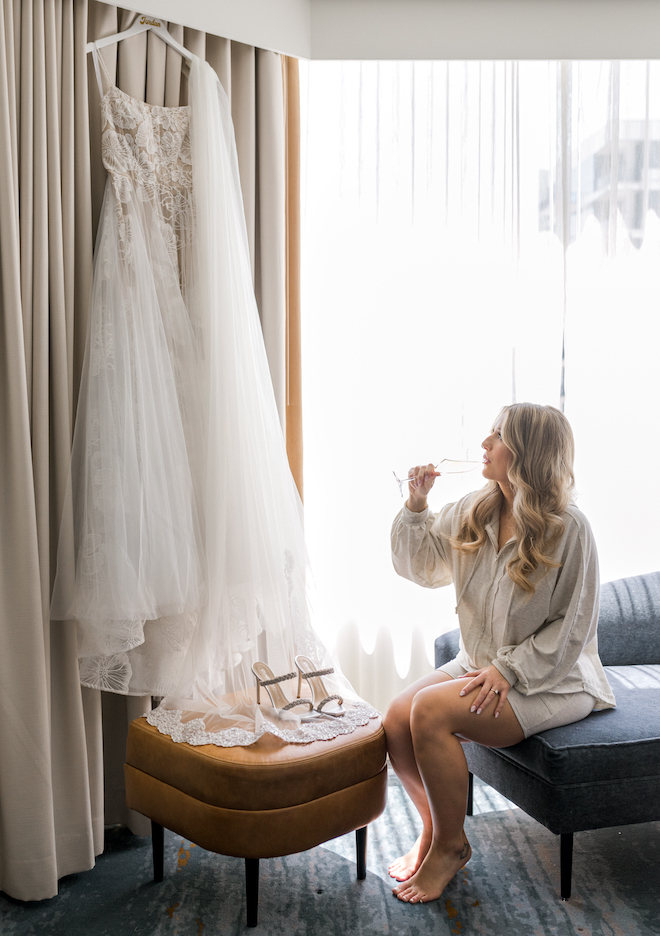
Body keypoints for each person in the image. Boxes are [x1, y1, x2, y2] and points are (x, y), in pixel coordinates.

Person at [386, 402, 615, 904]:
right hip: (483, 663)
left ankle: (449, 848)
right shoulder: (476, 508)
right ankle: (435, 831)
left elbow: (573, 628)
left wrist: (509, 670)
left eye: (497, 436)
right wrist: (418, 505)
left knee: (427, 713)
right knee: (395, 718)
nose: (485, 444)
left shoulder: (569, 528)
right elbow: (421, 568)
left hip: (555, 679)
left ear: (527, 452)